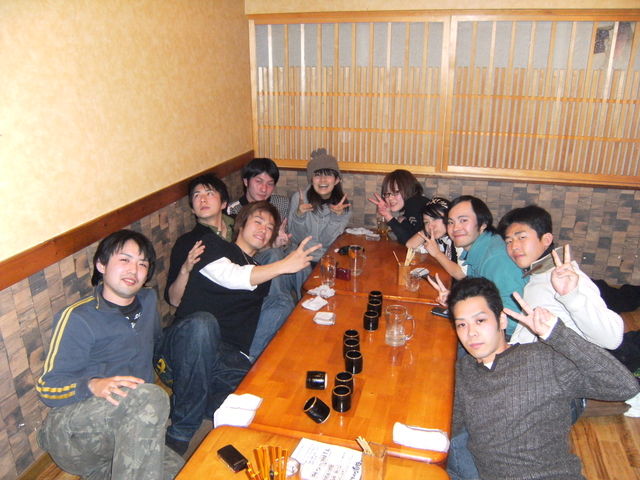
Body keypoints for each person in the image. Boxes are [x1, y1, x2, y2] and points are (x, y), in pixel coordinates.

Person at [157, 202, 320, 455]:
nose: (264, 229)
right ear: (240, 225)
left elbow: (264, 304)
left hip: (225, 359)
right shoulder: (213, 245)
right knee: (204, 324)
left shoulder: (259, 275)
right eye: (258, 221)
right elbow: (231, 276)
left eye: (269, 227)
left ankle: (193, 394)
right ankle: (181, 430)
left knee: (264, 398)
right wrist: (284, 265)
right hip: (183, 348)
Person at [449, 277, 638, 480]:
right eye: (462, 325)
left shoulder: (544, 358)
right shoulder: (464, 372)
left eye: (480, 321)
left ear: (502, 320)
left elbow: (625, 387)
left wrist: (557, 334)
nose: (471, 333)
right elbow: (450, 426)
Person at [36, 230, 184, 479]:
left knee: (187, 471)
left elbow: (156, 344)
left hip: (123, 430)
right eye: (124, 260)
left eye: (142, 264)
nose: (134, 270)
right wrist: (92, 385)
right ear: (101, 265)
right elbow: (47, 389)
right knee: (150, 397)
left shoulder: (148, 300)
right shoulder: (78, 318)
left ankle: (104, 472)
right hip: (73, 434)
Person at [497, 205, 624, 350]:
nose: (514, 246)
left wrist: (572, 296)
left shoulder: (566, 278)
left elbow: (612, 339)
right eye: (509, 241)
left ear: (546, 240)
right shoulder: (538, 276)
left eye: (522, 237)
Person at [430, 195, 525, 337]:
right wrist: (457, 300)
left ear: (483, 224)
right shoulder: (480, 249)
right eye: (450, 222)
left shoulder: (496, 259)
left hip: (504, 337)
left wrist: (466, 314)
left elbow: (513, 319)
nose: (455, 228)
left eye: (463, 220)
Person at [165, 174, 233, 307]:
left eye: (209, 193)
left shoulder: (240, 225)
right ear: (192, 209)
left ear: (224, 203)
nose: (203, 200)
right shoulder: (187, 243)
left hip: (248, 300)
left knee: (272, 255)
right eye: (197, 195)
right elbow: (173, 300)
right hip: (211, 309)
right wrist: (185, 270)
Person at [288, 148, 351, 263]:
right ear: (311, 179)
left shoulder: (342, 206)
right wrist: (299, 216)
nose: (323, 180)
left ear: (337, 180)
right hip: (300, 258)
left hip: (328, 259)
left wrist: (336, 219)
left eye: (328, 175)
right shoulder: (299, 199)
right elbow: (296, 239)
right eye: (317, 175)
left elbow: (326, 242)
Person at [406, 197, 464, 280]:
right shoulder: (442, 237)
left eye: (435, 218)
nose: (431, 226)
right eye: (426, 222)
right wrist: (428, 229)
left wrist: (437, 253)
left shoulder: (459, 237)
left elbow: (461, 275)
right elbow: (410, 245)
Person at [368, 169, 428, 244]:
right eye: (387, 193)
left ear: (408, 188)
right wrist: (395, 218)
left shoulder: (414, 203)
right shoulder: (414, 203)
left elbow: (409, 242)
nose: (390, 198)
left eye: (396, 192)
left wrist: (389, 216)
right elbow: (409, 237)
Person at [226, 157, 289, 222]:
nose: (264, 189)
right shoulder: (233, 210)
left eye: (270, 184)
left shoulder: (283, 204)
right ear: (246, 182)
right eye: (259, 181)